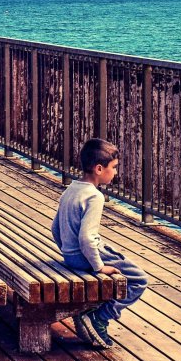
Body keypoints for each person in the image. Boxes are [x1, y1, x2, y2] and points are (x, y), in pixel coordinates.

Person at [51, 138, 148, 348]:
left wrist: (68, 251)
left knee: (116, 257)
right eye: (113, 168)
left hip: (71, 256)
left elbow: (55, 229)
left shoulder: (71, 189)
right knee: (139, 279)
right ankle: (101, 316)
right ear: (98, 169)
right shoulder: (94, 197)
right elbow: (87, 238)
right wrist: (99, 266)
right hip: (86, 258)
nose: (115, 173)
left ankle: (95, 312)